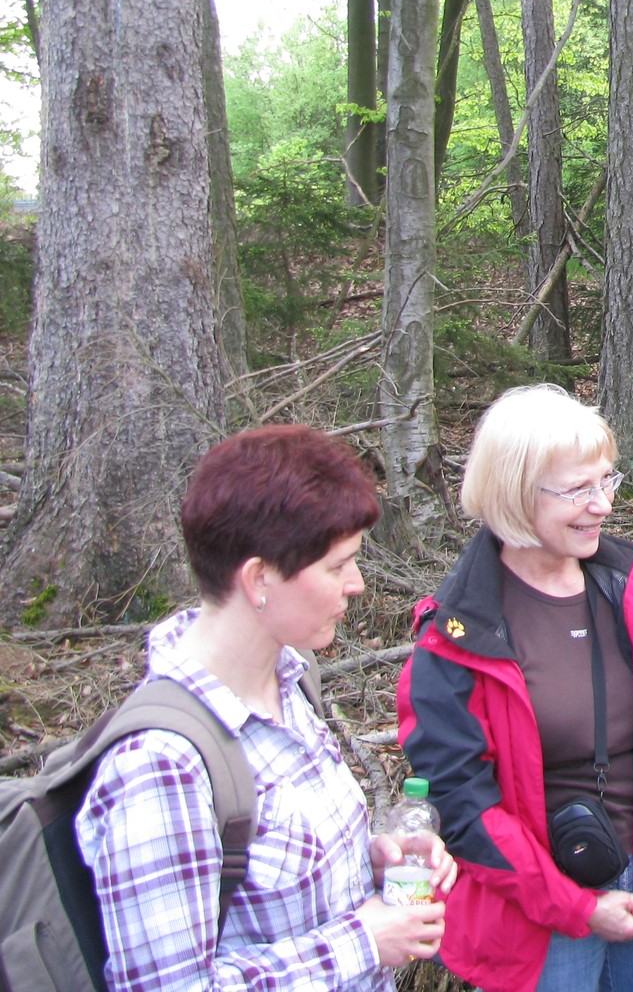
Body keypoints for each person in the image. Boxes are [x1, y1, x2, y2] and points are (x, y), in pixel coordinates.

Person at [76, 424, 455, 991]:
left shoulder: (290, 682)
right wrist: (362, 942)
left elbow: (275, 889)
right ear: (259, 579)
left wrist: (374, 866)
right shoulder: (161, 768)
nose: (356, 584)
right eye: (337, 566)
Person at [397, 383, 633, 992]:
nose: (602, 505)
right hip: (537, 908)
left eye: (607, 481)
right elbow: (463, 803)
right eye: (578, 489)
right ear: (516, 492)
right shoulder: (457, 635)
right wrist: (575, 906)